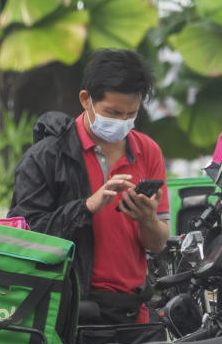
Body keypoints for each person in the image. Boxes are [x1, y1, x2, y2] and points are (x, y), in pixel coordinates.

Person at [10, 48, 169, 325]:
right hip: (70, 311)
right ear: (86, 100)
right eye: (113, 112)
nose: (121, 122)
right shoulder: (47, 157)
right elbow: (23, 236)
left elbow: (158, 243)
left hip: (132, 311)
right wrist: (86, 207)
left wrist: (148, 219)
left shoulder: (148, 151)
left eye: (130, 114)